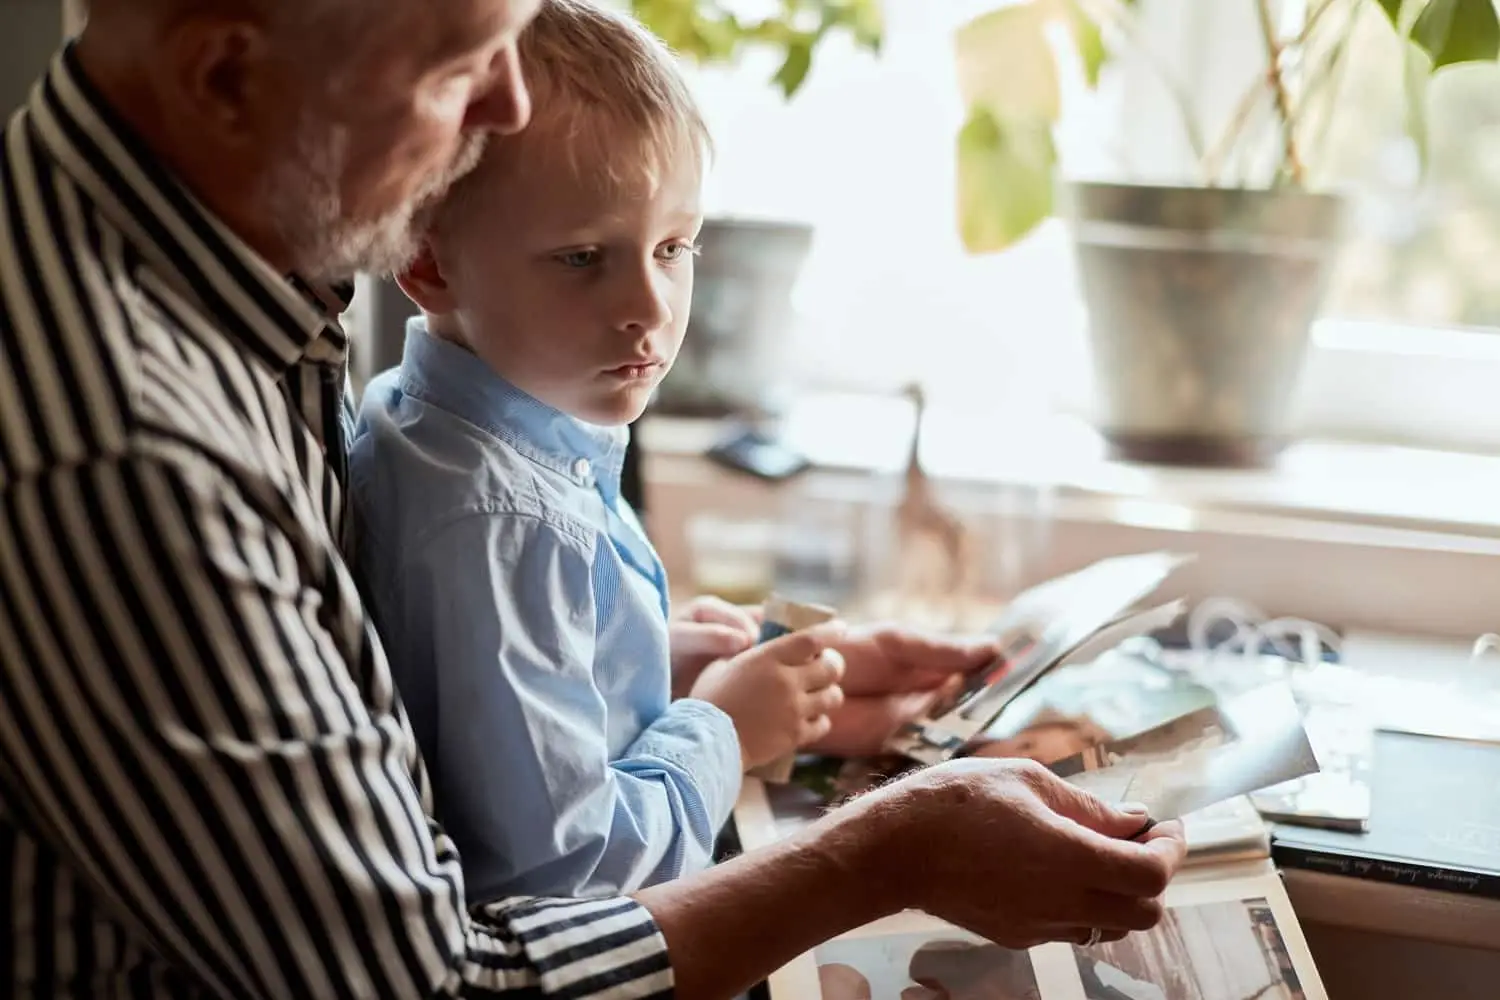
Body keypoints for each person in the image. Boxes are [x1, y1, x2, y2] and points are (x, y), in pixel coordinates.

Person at [0, 0, 1188, 998]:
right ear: (224, 76)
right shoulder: (122, 450)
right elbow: (432, 981)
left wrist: (641, 661)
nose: (508, 111)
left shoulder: (254, 291)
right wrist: (875, 853)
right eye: (463, 68)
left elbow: (386, 688)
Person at [350, 0, 850, 902]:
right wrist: (719, 729)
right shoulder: (500, 519)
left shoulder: (436, 419)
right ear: (427, 263)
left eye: (672, 246)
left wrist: (647, 660)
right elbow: (567, 868)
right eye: (583, 257)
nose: (652, 308)